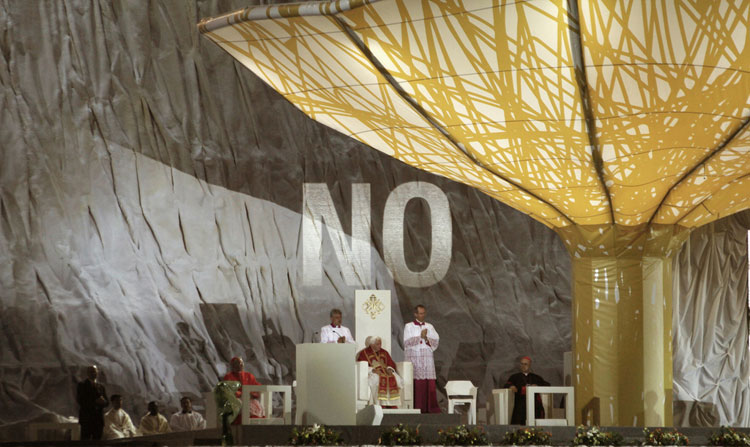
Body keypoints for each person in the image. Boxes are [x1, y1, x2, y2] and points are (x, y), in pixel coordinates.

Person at [404, 304, 440, 413]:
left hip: (427, 358)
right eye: (420, 313)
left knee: (428, 383)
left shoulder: (429, 326)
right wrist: (420, 336)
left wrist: (426, 338)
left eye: (424, 313)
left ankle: (430, 408)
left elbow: (436, 341)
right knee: (417, 383)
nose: (422, 315)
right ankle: (416, 408)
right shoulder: (409, 326)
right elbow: (406, 342)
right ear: (415, 314)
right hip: (414, 358)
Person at [356, 336, 403, 408]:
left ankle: (391, 404)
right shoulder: (364, 353)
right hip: (374, 372)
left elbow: (391, 363)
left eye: (380, 344)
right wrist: (373, 370)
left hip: (386, 372)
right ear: (372, 345)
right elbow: (362, 366)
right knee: (377, 379)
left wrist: (390, 369)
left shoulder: (384, 352)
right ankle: (379, 404)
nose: (380, 346)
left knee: (397, 379)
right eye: (377, 344)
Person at [504, 356, 550, 425]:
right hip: (520, 404)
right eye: (522, 364)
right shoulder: (514, 377)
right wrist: (511, 386)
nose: (523, 366)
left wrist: (537, 386)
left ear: (530, 365)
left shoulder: (536, 377)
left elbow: (547, 384)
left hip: (534, 405)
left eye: (525, 364)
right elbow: (506, 385)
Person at [76, 365, 109, 440]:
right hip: (86, 419)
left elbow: (107, 403)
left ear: (97, 372)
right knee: (85, 441)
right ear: (87, 373)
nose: (93, 373)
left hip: (98, 419)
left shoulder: (101, 386)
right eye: (91, 372)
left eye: (94, 371)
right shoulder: (82, 385)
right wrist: (95, 402)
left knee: (97, 441)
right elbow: (80, 400)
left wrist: (103, 402)